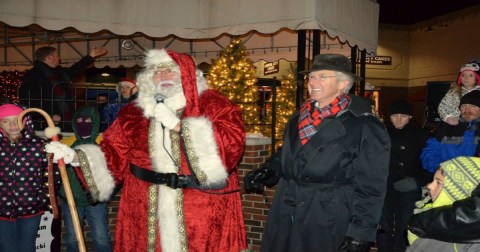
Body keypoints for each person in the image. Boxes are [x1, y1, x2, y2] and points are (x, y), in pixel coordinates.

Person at [44, 49, 248, 251]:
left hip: (200, 207)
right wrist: (77, 157)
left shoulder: (213, 103)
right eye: (157, 71)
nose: (163, 75)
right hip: (144, 204)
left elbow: (231, 145)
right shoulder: (134, 111)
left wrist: (180, 127)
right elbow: (113, 150)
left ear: (186, 73)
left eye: (170, 69)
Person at [244, 53, 391, 252]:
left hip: (327, 214)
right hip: (287, 209)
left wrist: (360, 232)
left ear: (342, 84)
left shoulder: (363, 124)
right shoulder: (299, 116)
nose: (313, 81)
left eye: (322, 76)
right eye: (311, 77)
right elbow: (290, 152)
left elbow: (372, 184)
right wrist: (270, 169)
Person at [376, 100, 432, 252]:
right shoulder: (380, 133)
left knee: (405, 224)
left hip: (409, 185)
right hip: (384, 185)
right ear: (389, 116)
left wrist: (417, 180)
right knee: (383, 225)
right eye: (395, 115)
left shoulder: (421, 135)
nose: (399, 119)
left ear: (410, 117)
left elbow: (431, 163)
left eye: (403, 115)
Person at [0, 104, 52, 252]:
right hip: (2, 209)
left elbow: (53, 175)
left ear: (25, 121)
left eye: (17, 119)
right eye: (5, 120)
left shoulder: (40, 146)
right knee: (6, 248)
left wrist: (42, 196)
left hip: (31, 208)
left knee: (27, 248)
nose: (12, 124)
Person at [59, 106, 112, 252]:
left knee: (100, 236)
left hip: (95, 199)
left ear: (95, 121)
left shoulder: (103, 143)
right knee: (72, 237)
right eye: (80, 120)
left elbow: (113, 170)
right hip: (71, 199)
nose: (83, 123)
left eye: (88, 120)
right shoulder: (66, 143)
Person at [19, 45, 108, 128]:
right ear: (49, 57)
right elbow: (28, 100)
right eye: (57, 55)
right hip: (45, 122)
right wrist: (49, 114)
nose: (59, 58)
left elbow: (74, 70)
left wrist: (91, 56)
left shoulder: (58, 72)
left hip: (65, 119)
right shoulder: (32, 75)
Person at [407, 156, 480, 252]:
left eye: (439, 182)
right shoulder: (429, 215)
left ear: (460, 191)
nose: (429, 186)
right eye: (433, 181)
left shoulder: (465, 242)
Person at [421, 90, 480, 173]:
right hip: (446, 178)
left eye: (473, 106)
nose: (467, 109)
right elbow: (430, 153)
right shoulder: (446, 128)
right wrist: (444, 170)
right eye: (463, 106)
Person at [437, 60, 480, 125]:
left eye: (470, 75)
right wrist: (448, 117)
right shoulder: (454, 91)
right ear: (460, 78)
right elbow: (443, 106)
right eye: (463, 75)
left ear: (476, 78)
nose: (466, 78)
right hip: (456, 123)